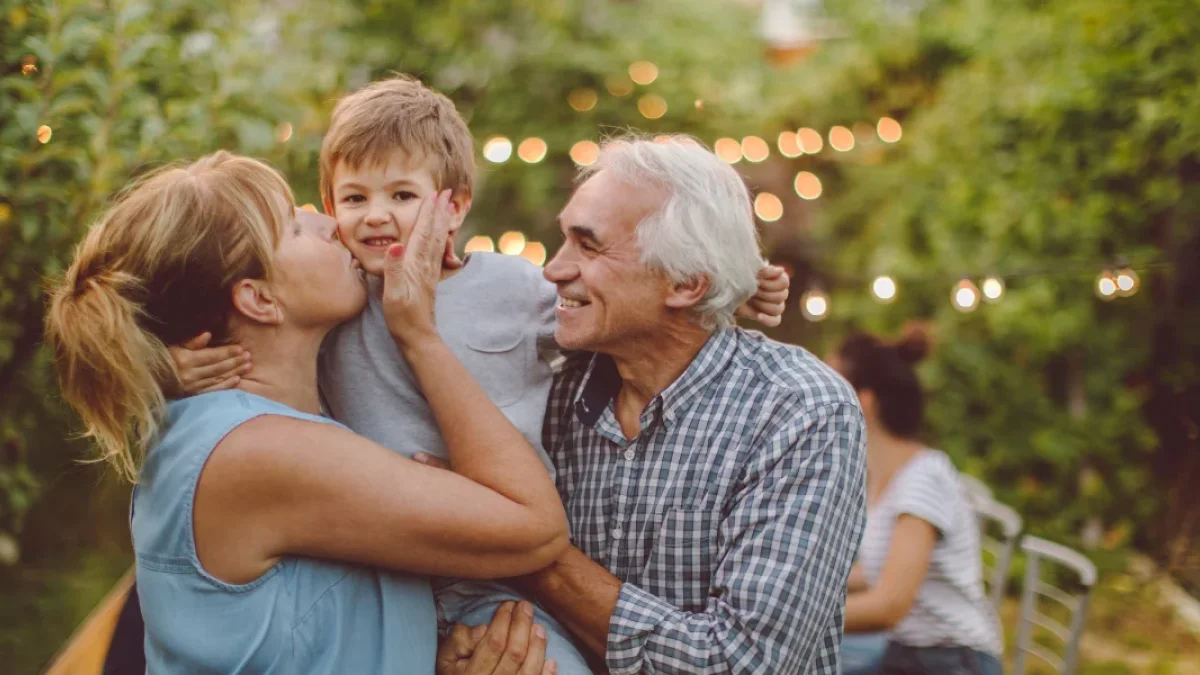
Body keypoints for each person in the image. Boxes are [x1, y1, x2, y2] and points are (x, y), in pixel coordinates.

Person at [170, 77, 791, 675]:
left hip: (496, 572)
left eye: (402, 196)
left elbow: (618, 309)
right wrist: (169, 366)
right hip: (387, 557)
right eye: (354, 199)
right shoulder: (341, 296)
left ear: (455, 205)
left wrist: (731, 286)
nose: (375, 217)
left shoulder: (512, 288)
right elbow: (230, 347)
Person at [44, 152, 568, 674]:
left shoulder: (235, 430)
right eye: (294, 227)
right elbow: (535, 529)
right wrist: (417, 333)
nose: (330, 223)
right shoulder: (255, 451)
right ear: (259, 299)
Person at [438, 136, 868, 674]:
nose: (552, 270)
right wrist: (463, 648)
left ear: (687, 283)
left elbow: (738, 665)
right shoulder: (548, 387)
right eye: (563, 238)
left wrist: (515, 540)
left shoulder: (799, 411)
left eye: (588, 246)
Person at [828, 327, 1003, 675]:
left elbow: (889, 604)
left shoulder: (922, 478)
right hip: (909, 653)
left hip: (951, 660)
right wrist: (806, 580)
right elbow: (880, 570)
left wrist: (791, 616)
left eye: (825, 384)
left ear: (864, 401)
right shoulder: (883, 477)